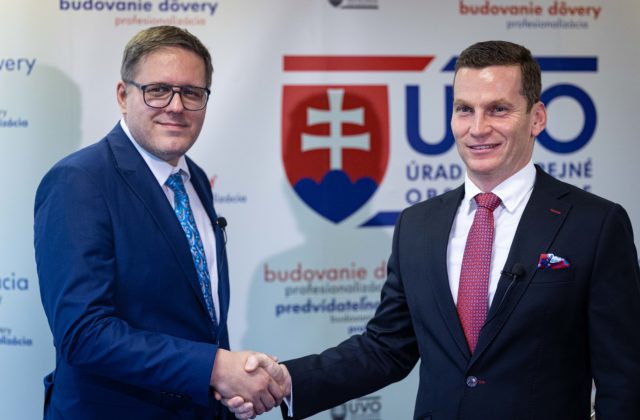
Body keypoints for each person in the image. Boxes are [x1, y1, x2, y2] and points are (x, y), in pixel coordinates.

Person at [225, 40, 640, 419]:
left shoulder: (595, 224)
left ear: (537, 118)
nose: (478, 128)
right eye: (464, 109)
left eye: (498, 109)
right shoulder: (418, 225)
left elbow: (623, 376)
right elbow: (386, 347)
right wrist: (288, 381)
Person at [34, 25, 289, 419]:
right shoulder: (80, 181)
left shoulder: (193, 178)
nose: (176, 106)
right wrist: (216, 368)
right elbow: (83, 334)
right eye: (158, 90)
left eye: (192, 93)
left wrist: (227, 380)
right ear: (124, 96)